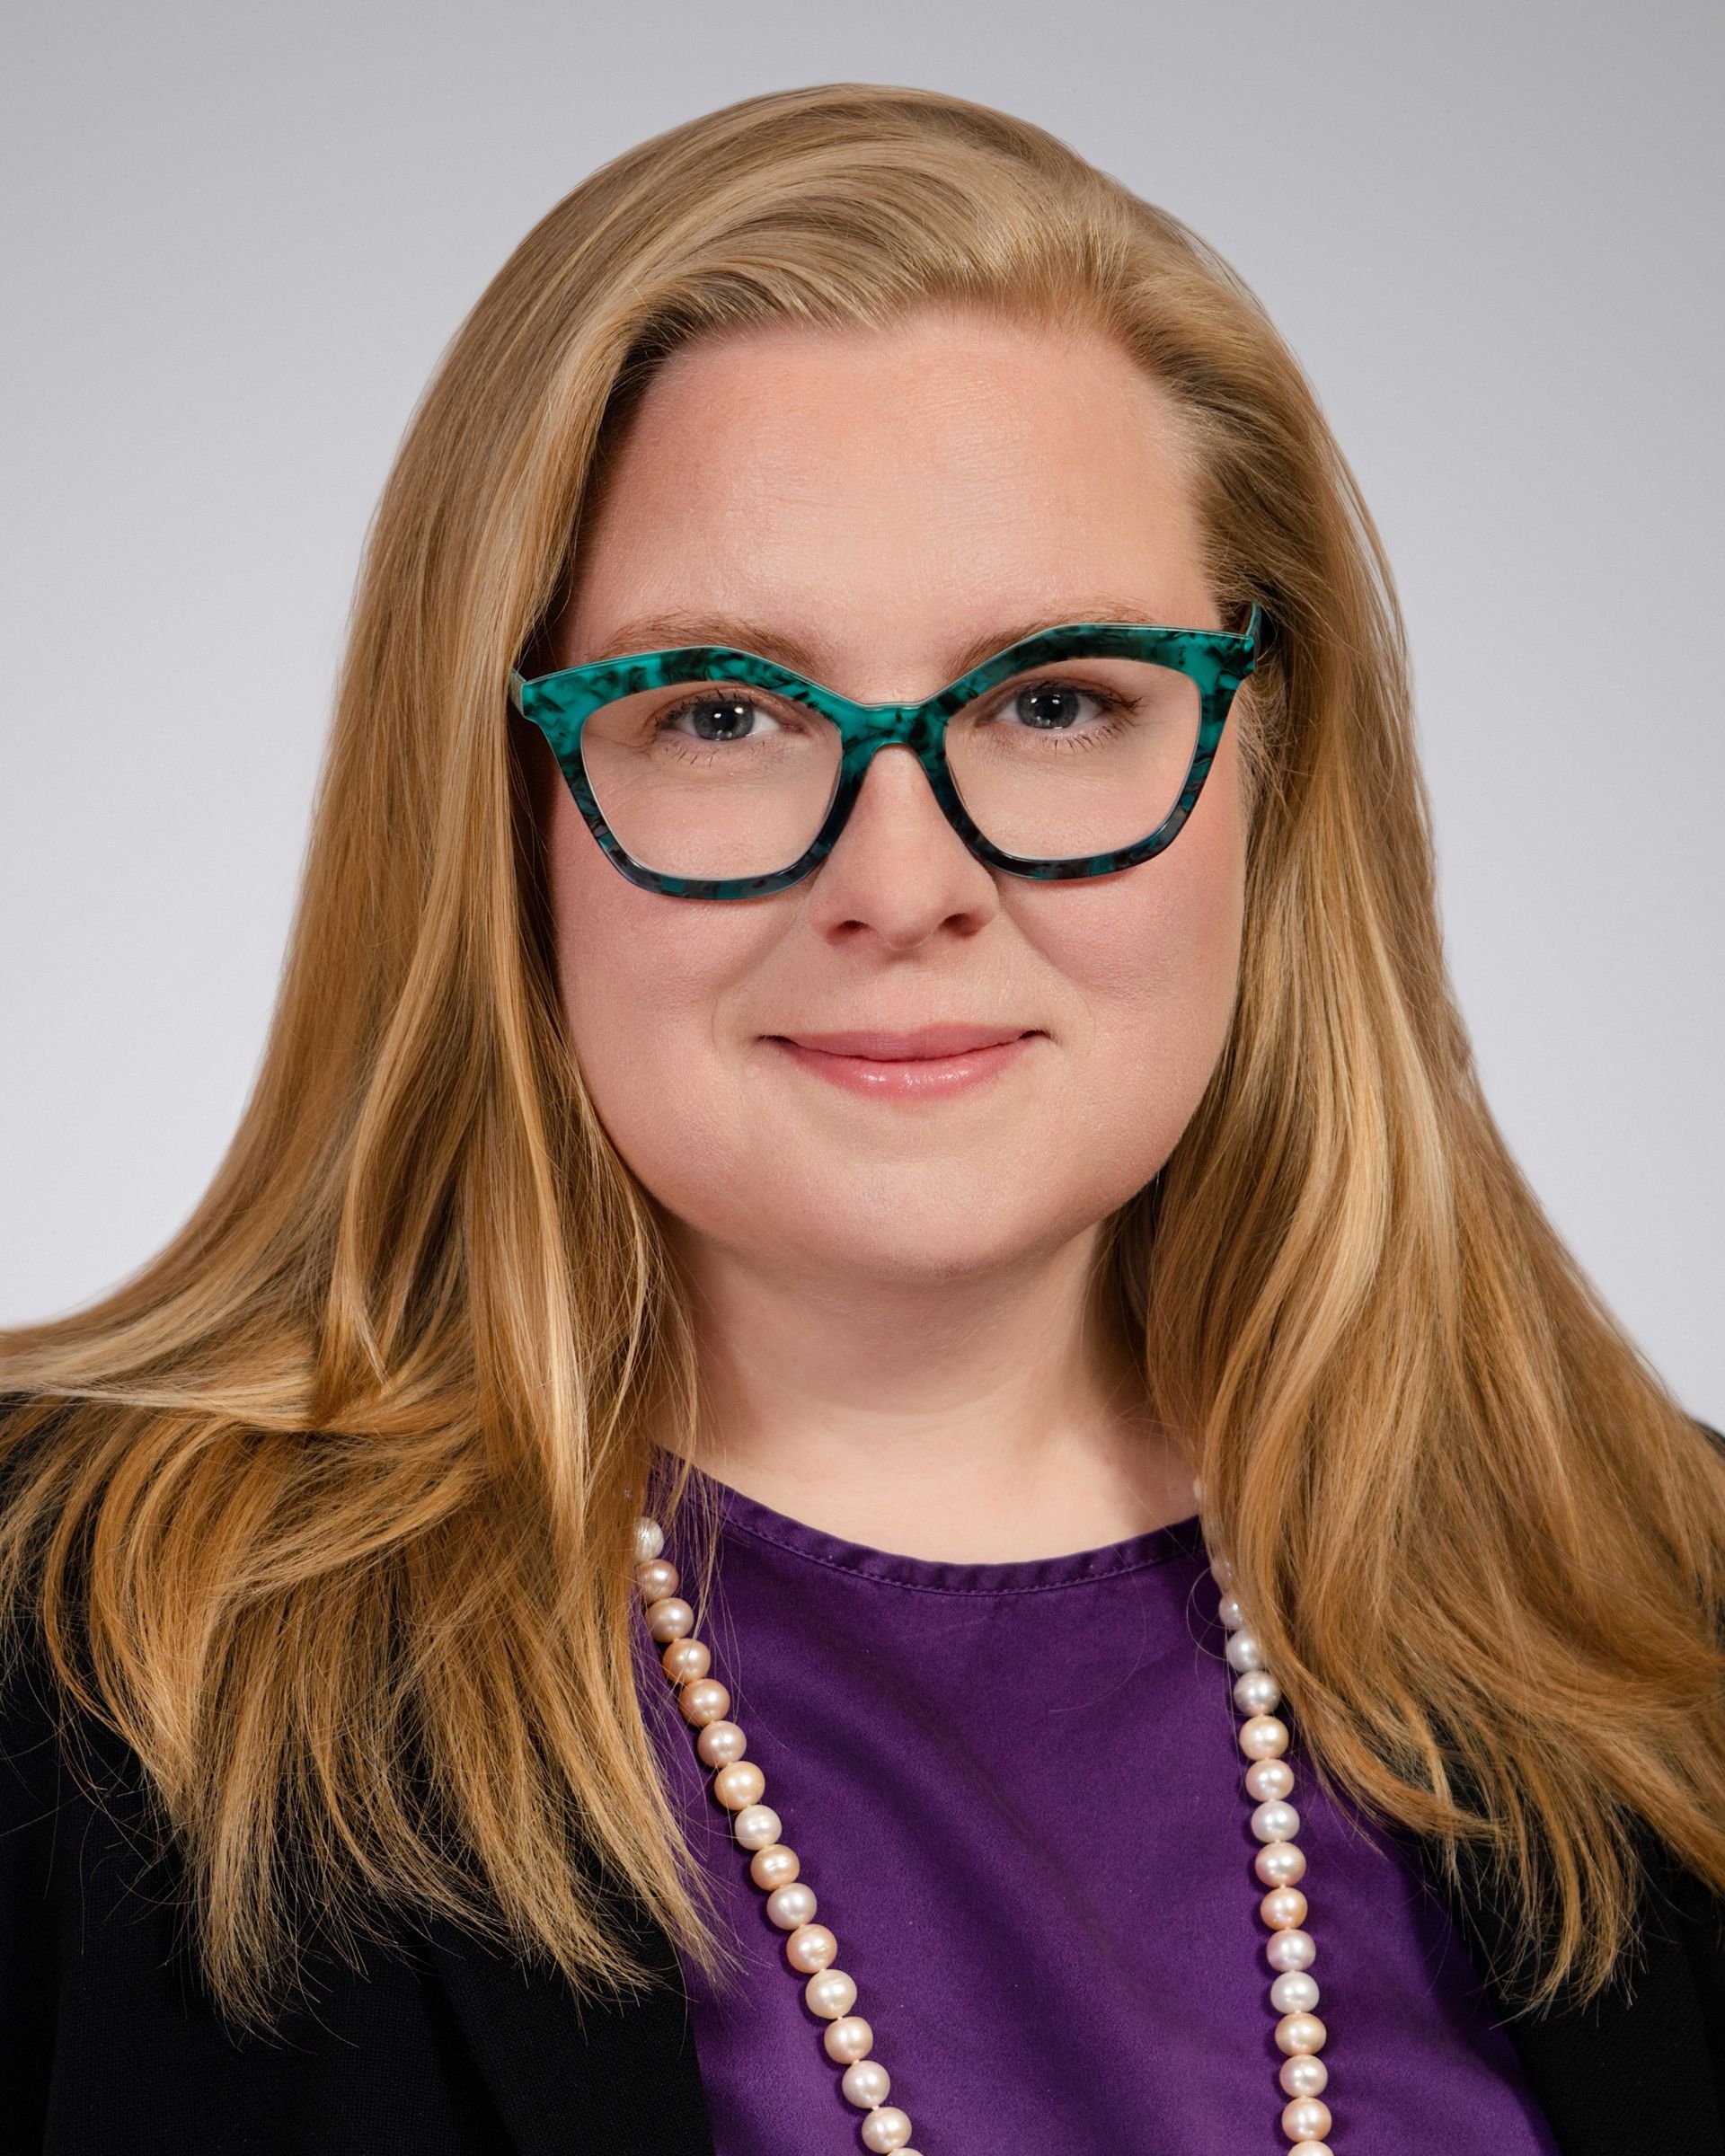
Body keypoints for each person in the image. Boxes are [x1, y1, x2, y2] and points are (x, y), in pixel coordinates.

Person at [0, 80, 1720, 2156]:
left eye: (1058, 698)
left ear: (1276, 768)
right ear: (500, 809)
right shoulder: (67, 1663)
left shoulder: (1672, 1611)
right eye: (721, 711)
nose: (902, 881)